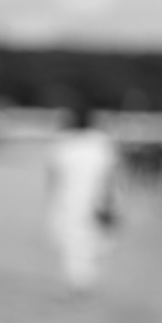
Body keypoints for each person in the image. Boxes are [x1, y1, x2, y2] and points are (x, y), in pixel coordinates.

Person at [44, 104, 119, 292]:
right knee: (93, 241)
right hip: (97, 199)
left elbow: (52, 178)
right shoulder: (101, 142)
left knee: (71, 241)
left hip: (69, 199)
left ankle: (77, 282)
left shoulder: (62, 144)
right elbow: (111, 176)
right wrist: (110, 201)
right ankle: (85, 281)